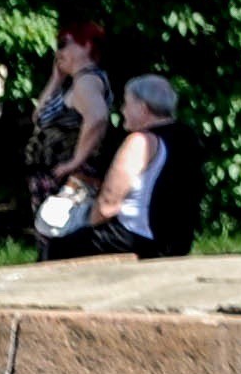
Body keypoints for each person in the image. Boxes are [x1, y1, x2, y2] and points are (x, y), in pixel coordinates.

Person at [38, 75, 202, 261]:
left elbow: (107, 207)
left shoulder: (141, 141)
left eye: (127, 103)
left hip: (135, 239)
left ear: (143, 108)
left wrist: (77, 222)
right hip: (177, 241)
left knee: (57, 247)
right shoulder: (188, 138)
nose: (123, 110)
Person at [23, 21, 114, 224]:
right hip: (53, 176)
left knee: (57, 234)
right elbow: (38, 116)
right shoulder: (76, 82)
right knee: (51, 232)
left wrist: (75, 162)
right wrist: (56, 79)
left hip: (67, 178)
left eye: (64, 44)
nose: (59, 51)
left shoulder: (87, 81)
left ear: (87, 45)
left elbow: (98, 118)